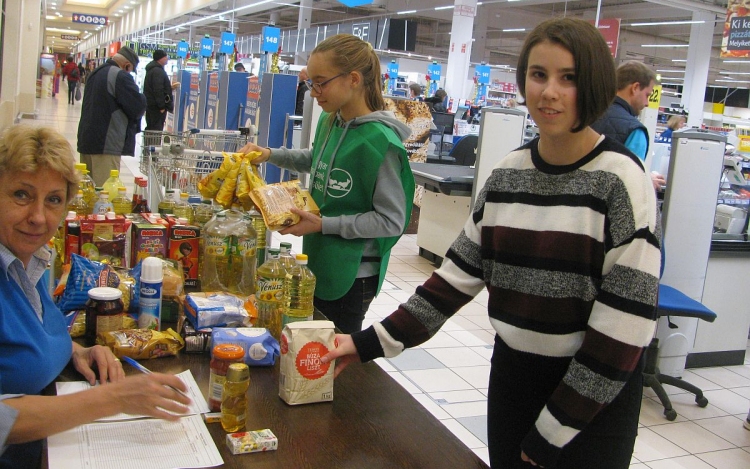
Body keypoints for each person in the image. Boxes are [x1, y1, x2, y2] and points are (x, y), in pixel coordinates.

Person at [322, 17, 661, 469]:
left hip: (592, 402)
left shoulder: (622, 183)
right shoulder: (508, 175)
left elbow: (623, 333)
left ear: (595, 84)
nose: (548, 92)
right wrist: (364, 344)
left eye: (569, 78)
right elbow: (450, 284)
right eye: (538, 75)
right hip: (513, 380)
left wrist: (552, 433)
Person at [0, 125, 191, 467]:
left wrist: (73, 351)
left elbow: (22, 339)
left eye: (54, 200)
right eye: (21, 195)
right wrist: (113, 398)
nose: (39, 217)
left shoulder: (30, 262)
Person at [238, 34, 415, 334]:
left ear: (354, 79)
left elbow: (391, 221)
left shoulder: (380, 144)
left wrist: (323, 225)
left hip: (353, 275)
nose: (313, 93)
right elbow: (316, 157)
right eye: (310, 83)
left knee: (332, 359)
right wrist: (268, 154)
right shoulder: (331, 121)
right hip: (318, 259)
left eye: (320, 82)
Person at [77, 46, 146, 187]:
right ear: (127, 66)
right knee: (105, 195)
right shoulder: (120, 76)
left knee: (88, 192)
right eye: (131, 70)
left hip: (86, 140)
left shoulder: (95, 73)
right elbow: (137, 107)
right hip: (105, 144)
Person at [591, 61, 665, 190]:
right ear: (635, 88)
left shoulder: (587, 114)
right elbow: (629, 184)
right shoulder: (635, 131)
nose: (647, 103)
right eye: (647, 95)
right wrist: (645, 181)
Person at [143, 49, 179, 132]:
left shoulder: (152, 70)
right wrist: (161, 107)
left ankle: (149, 145)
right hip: (156, 107)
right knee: (156, 129)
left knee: (151, 128)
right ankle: (154, 145)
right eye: (165, 56)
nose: (167, 58)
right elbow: (157, 90)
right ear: (160, 58)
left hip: (151, 105)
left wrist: (169, 88)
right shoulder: (157, 71)